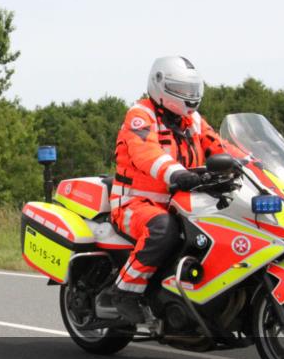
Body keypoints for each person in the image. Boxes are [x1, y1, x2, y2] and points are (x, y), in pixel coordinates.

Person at [100, 56, 235, 323]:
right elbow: (145, 152)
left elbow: (220, 147)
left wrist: (248, 164)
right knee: (162, 229)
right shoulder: (140, 116)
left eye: (193, 90)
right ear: (160, 85)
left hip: (183, 203)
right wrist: (176, 173)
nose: (190, 97)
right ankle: (124, 291)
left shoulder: (192, 121)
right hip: (134, 203)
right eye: (183, 90)